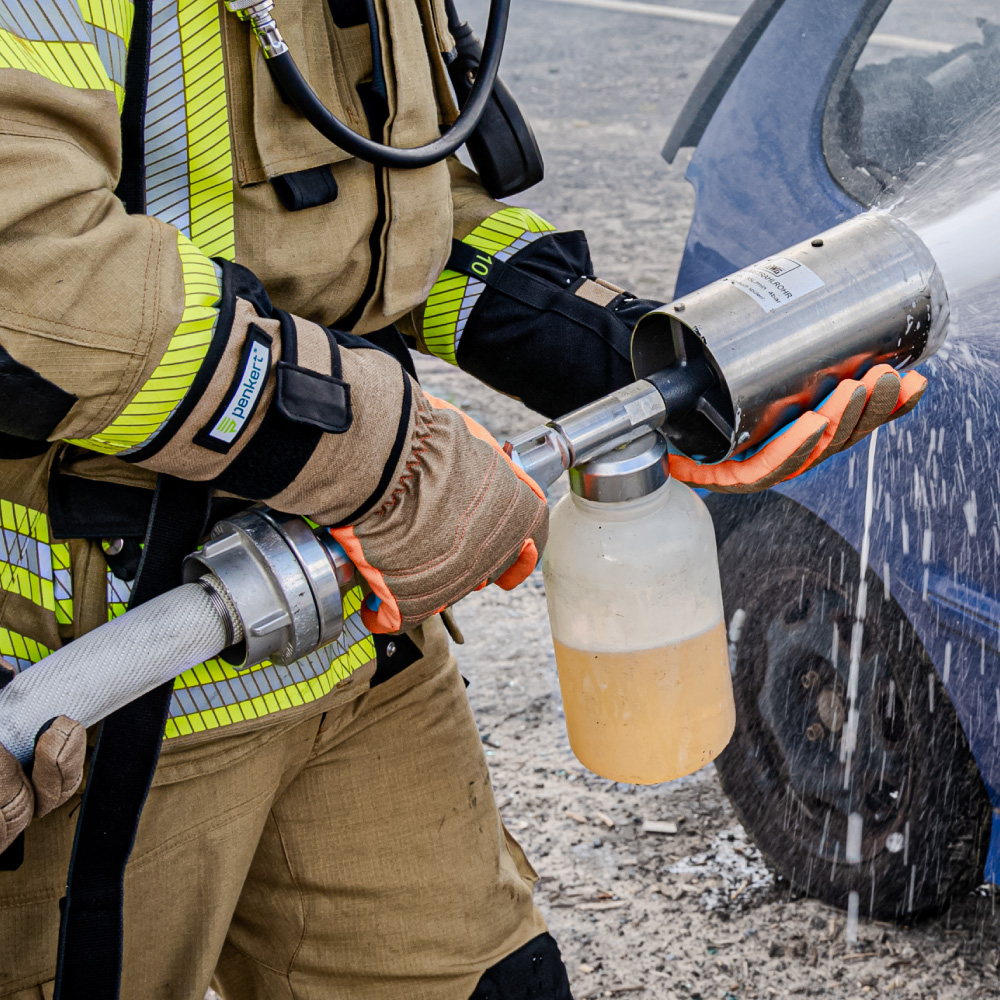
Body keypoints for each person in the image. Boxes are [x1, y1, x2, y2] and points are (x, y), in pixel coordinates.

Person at [0, 0, 925, 997]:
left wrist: (619, 359)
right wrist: (381, 448)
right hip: (94, 694)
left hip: (353, 644)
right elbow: (33, 279)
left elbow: (393, 219)